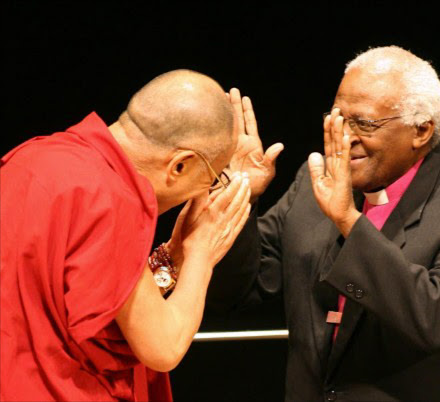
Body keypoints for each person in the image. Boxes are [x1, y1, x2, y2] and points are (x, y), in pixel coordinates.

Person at [209, 46, 440, 401]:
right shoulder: (313, 183)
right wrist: (240, 197)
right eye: (339, 119)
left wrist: (348, 220)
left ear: (422, 131)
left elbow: (439, 319)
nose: (346, 137)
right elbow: (239, 290)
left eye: (364, 124)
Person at [0, 70, 252, 401]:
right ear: (180, 166)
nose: (206, 192)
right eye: (213, 178)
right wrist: (201, 254)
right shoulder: (111, 200)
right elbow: (164, 346)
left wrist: (172, 255)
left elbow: (95, 290)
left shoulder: (33, 156)